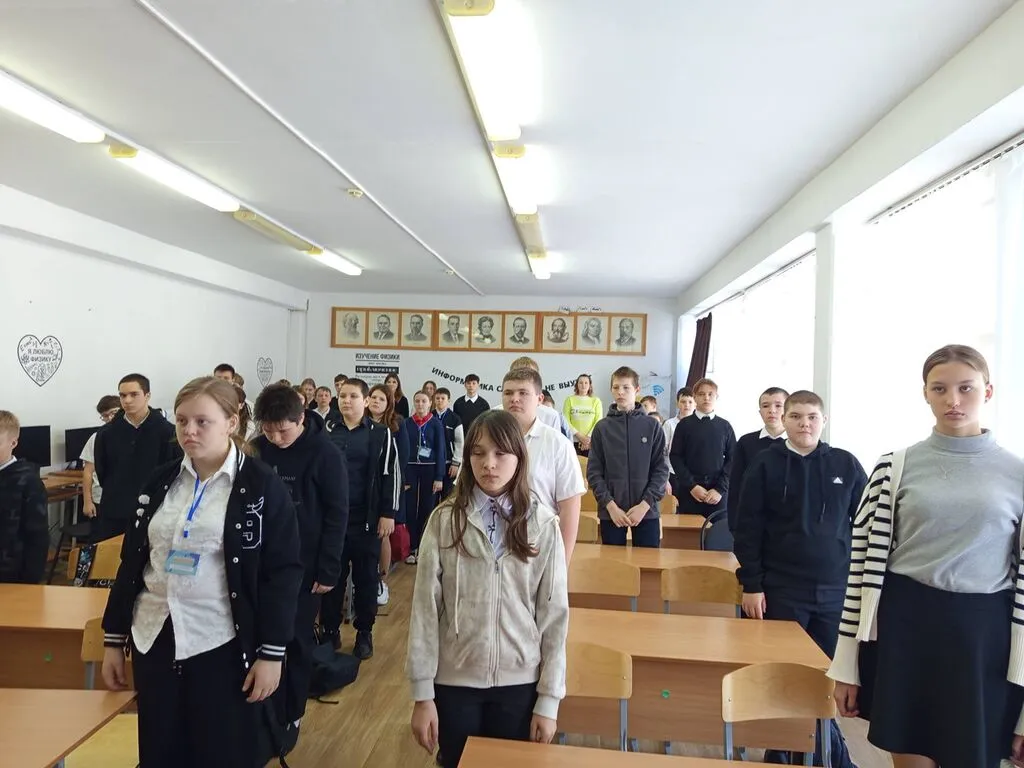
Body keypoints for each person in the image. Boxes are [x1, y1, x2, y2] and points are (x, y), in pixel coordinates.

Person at [829, 345, 1024, 768]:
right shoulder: (894, 467)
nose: (953, 400)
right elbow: (860, 571)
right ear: (925, 394)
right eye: (940, 389)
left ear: (988, 391)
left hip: (982, 638)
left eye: (966, 388)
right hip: (907, 627)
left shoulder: (1018, 474)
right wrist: (847, 665)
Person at [101, 377, 303, 768]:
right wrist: (114, 636)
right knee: (161, 749)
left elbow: (282, 574)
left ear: (231, 422)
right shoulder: (162, 481)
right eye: (181, 421)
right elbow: (134, 561)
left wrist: (272, 653)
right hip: (155, 635)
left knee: (219, 749)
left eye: (202, 422)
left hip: (221, 640)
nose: (189, 431)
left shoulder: (261, 486)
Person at [407, 410, 569, 768]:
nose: (489, 464)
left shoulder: (542, 525)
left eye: (500, 453)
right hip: (455, 681)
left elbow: (554, 616)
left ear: (519, 457)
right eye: (478, 453)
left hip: (520, 682)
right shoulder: (444, 520)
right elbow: (424, 610)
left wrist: (549, 699)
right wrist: (422, 693)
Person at [734, 390, 865, 767]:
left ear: (823, 421)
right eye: (795, 416)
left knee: (824, 678)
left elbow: (867, 523)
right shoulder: (765, 463)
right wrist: (752, 584)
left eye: (811, 417)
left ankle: (823, 752)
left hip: (833, 592)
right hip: (780, 591)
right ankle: (782, 750)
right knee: (782, 676)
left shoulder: (845, 464)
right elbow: (747, 527)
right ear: (784, 420)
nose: (804, 424)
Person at [252, 383, 348, 734]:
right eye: (268, 430)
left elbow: (337, 514)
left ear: (301, 418)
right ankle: (263, 708)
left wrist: (329, 567)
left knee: (295, 637)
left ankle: (292, 711)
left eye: (283, 430)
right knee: (260, 635)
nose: (276, 438)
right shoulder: (257, 449)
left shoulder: (325, 453)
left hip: (306, 563)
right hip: (261, 562)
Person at [321, 379, 400, 658]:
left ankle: (364, 632)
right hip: (333, 520)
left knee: (366, 579)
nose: (346, 400)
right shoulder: (328, 430)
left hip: (366, 519)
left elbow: (391, 474)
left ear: (365, 401)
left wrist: (388, 513)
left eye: (353, 396)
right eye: (342, 396)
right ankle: (329, 631)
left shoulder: (380, 433)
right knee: (332, 577)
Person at [502, 368, 584, 562]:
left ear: (539, 399)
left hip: (540, 548)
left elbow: (570, 509)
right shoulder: (486, 438)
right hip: (493, 546)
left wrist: (562, 563)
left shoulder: (558, 444)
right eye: (508, 393)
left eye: (523, 393)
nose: (514, 399)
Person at [586, 368, 669, 548]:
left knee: (647, 562)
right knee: (613, 563)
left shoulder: (652, 426)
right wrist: (610, 506)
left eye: (626, 387)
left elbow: (661, 470)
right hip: (612, 513)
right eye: (616, 387)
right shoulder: (602, 428)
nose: (620, 392)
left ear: (637, 390)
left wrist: (645, 505)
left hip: (646, 512)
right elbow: (594, 473)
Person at [93, 373, 180, 541]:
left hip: (155, 510)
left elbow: (173, 470)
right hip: (115, 510)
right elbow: (102, 471)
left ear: (147, 396)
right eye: (123, 395)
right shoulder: (106, 433)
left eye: (134, 394)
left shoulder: (167, 432)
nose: (127, 400)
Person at [668, 378, 736, 518]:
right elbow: (675, 457)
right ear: (695, 397)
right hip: (690, 492)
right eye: (701, 394)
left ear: (716, 397)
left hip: (718, 494)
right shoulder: (684, 425)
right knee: (688, 530)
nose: (706, 398)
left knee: (717, 530)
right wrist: (692, 486)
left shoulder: (725, 426)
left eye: (710, 394)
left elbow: (733, 459)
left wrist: (720, 489)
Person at [367, 384, 407, 607]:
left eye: (381, 399)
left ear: (388, 404)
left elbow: (401, 459)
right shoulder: (360, 423)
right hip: (365, 490)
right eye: (373, 397)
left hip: (387, 487)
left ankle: (381, 580)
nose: (376, 401)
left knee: (382, 535)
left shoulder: (396, 425)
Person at [727, 387, 788, 533]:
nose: (772, 411)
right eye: (766, 406)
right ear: (760, 411)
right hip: (752, 522)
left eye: (778, 405)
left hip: (788, 525)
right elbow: (735, 485)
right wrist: (734, 525)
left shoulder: (797, 443)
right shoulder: (746, 442)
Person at [0, 410, 48, 583]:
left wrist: (30, 581)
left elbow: (37, 537)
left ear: (13, 443)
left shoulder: (28, 481)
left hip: (11, 574)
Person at [399, 392, 446, 564]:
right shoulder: (406, 423)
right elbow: (401, 450)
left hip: (430, 469)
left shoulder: (436, 424)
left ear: (430, 403)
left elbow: (441, 450)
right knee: (409, 507)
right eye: (417, 401)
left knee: (427, 507)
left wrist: (439, 476)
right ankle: (411, 547)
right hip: (410, 469)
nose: (420, 404)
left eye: (424, 401)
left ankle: (425, 547)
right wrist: (402, 476)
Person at [80, 395, 121, 525]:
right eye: (105, 416)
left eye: (114, 413)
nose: (110, 418)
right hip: (101, 498)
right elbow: (88, 472)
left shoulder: (134, 435)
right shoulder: (97, 438)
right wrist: (87, 501)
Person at [662, 387, 696, 498]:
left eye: (690, 402)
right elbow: (662, 452)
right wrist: (665, 479)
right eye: (683, 402)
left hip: (694, 475)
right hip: (673, 473)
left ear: (695, 404)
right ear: (677, 403)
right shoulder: (669, 424)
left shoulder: (700, 425)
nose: (687, 405)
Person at [432, 388, 464, 497]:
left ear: (448, 400)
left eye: (443, 398)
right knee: (432, 496)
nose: (440, 401)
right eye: (437, 398)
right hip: (432, 463)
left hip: (449, 464)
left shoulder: (455, 419)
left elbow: (459, 442)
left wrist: (456, 463)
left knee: (447, 496)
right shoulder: (429, 416)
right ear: (434, 400)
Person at [563, 374, 603, 456]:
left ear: (590, 385)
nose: (583, 385)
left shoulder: (596, 401)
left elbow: (598, 420)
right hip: (573, 441)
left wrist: (588, 438)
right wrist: (580, 437)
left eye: (586, 383)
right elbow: (565, 420)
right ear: (577, 385)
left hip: (591, 443)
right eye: (580, 383)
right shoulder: (569, 400)